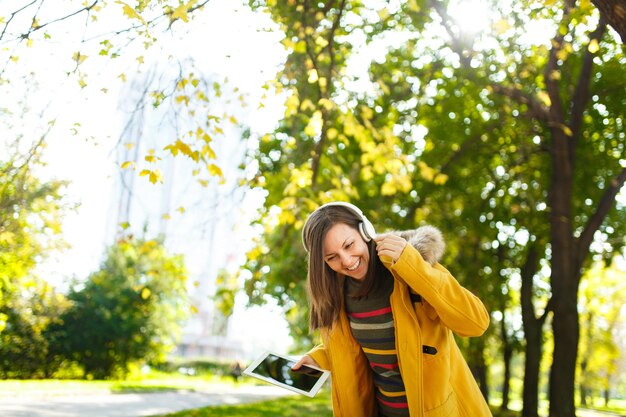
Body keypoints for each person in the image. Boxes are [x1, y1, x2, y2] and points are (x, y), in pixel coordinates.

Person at [292, 202, 492, 417]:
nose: (347, 261)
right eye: (332, 258)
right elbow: (363, 346)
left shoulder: (413, 268)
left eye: (349, 245)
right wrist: (320, 358)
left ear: (365, 231)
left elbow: (475, 323)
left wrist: (414, 267)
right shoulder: (338, 293)